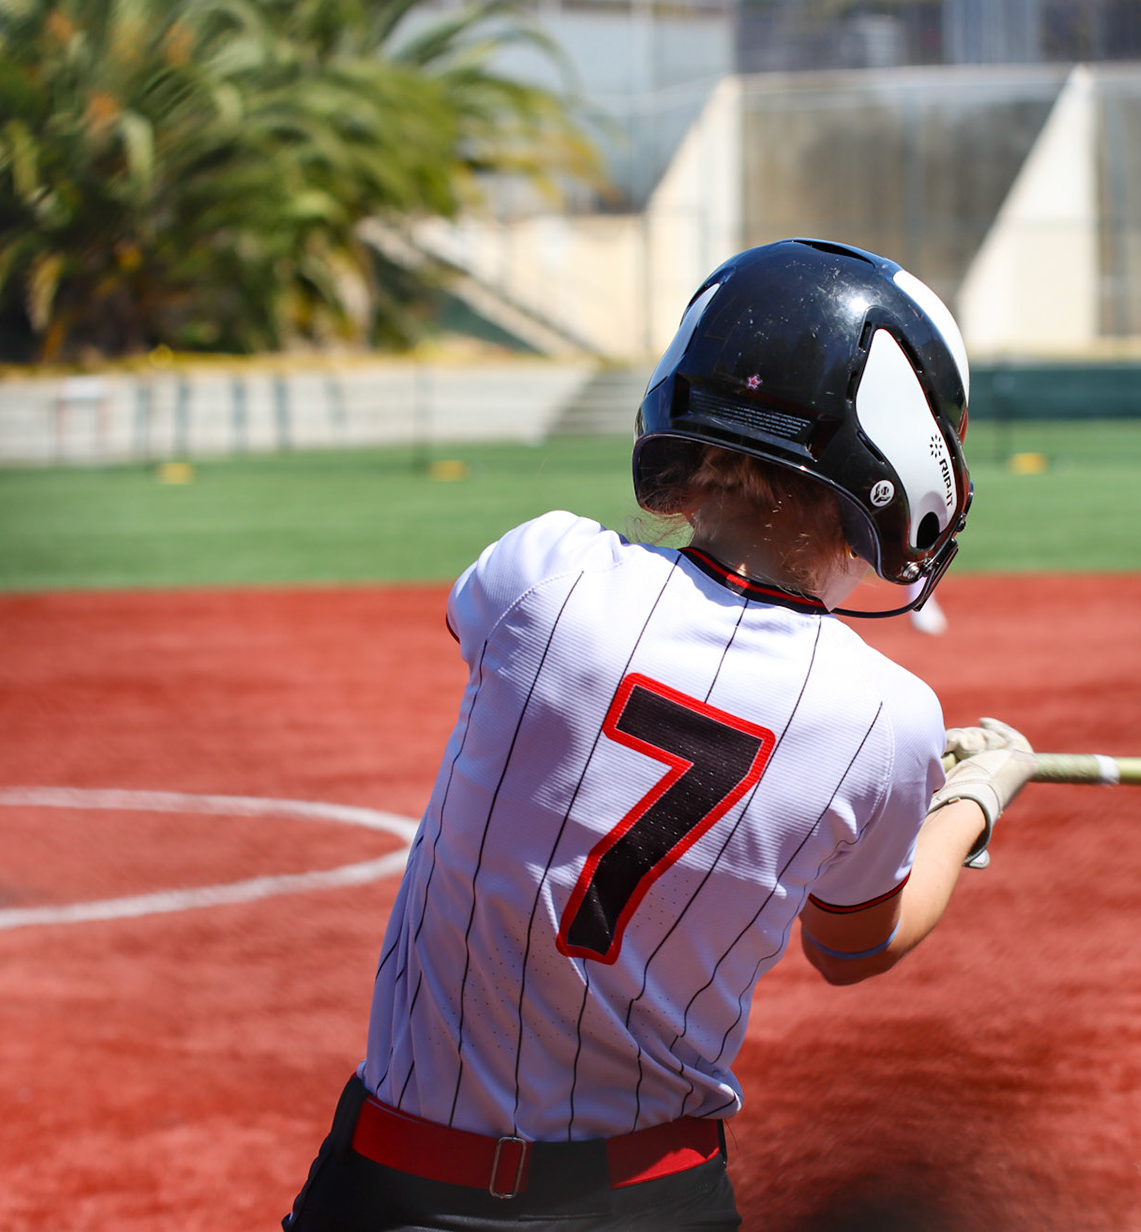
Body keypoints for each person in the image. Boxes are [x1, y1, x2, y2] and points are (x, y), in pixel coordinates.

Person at [283, 239, 1036, 1231]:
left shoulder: (547, 571)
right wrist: (977, 795)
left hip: (393, 1184)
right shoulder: (888, 719)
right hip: (647, 1198)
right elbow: (854, 944)